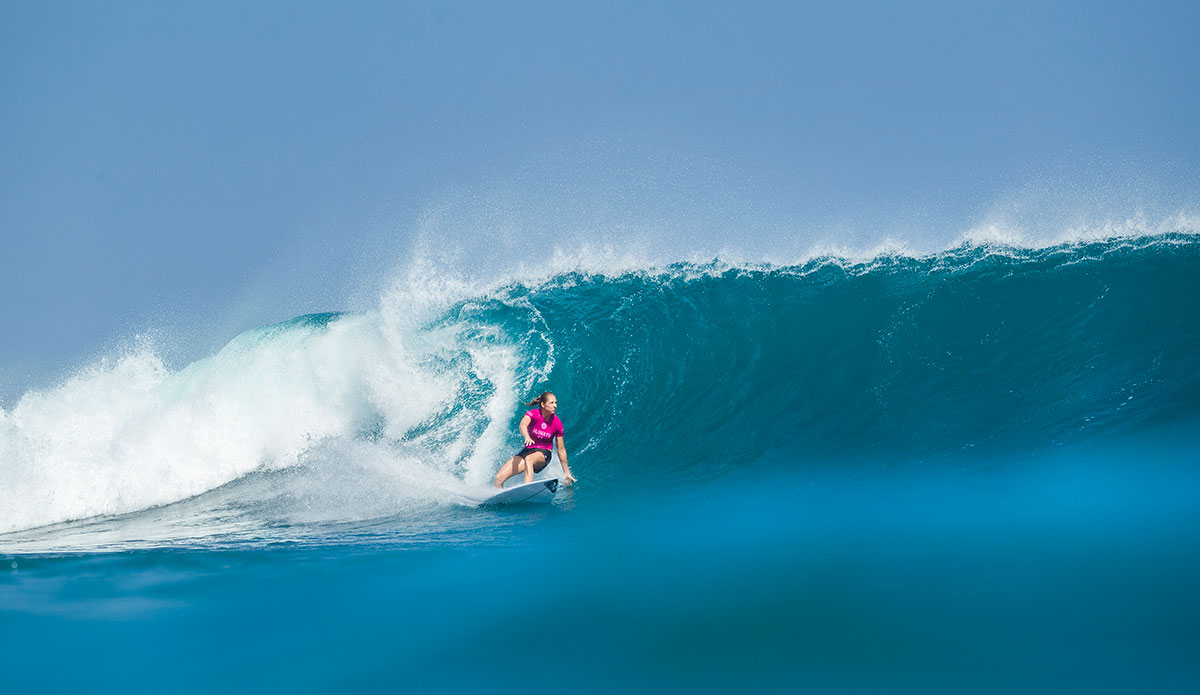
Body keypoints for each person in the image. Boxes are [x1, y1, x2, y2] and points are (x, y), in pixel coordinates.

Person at [493, 391, 576, 489]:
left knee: (529, 459)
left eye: (556, 403)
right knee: (499, 478)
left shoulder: (557, 424)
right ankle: (502, 501)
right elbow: (522, 425)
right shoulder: (532, 414)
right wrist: (527, 436)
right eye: (552, 403)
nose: (555, 406)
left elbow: (561, 449)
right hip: (527, 450)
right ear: (543, 404)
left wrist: (566, 473)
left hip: (543, 453)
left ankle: (526, 489)